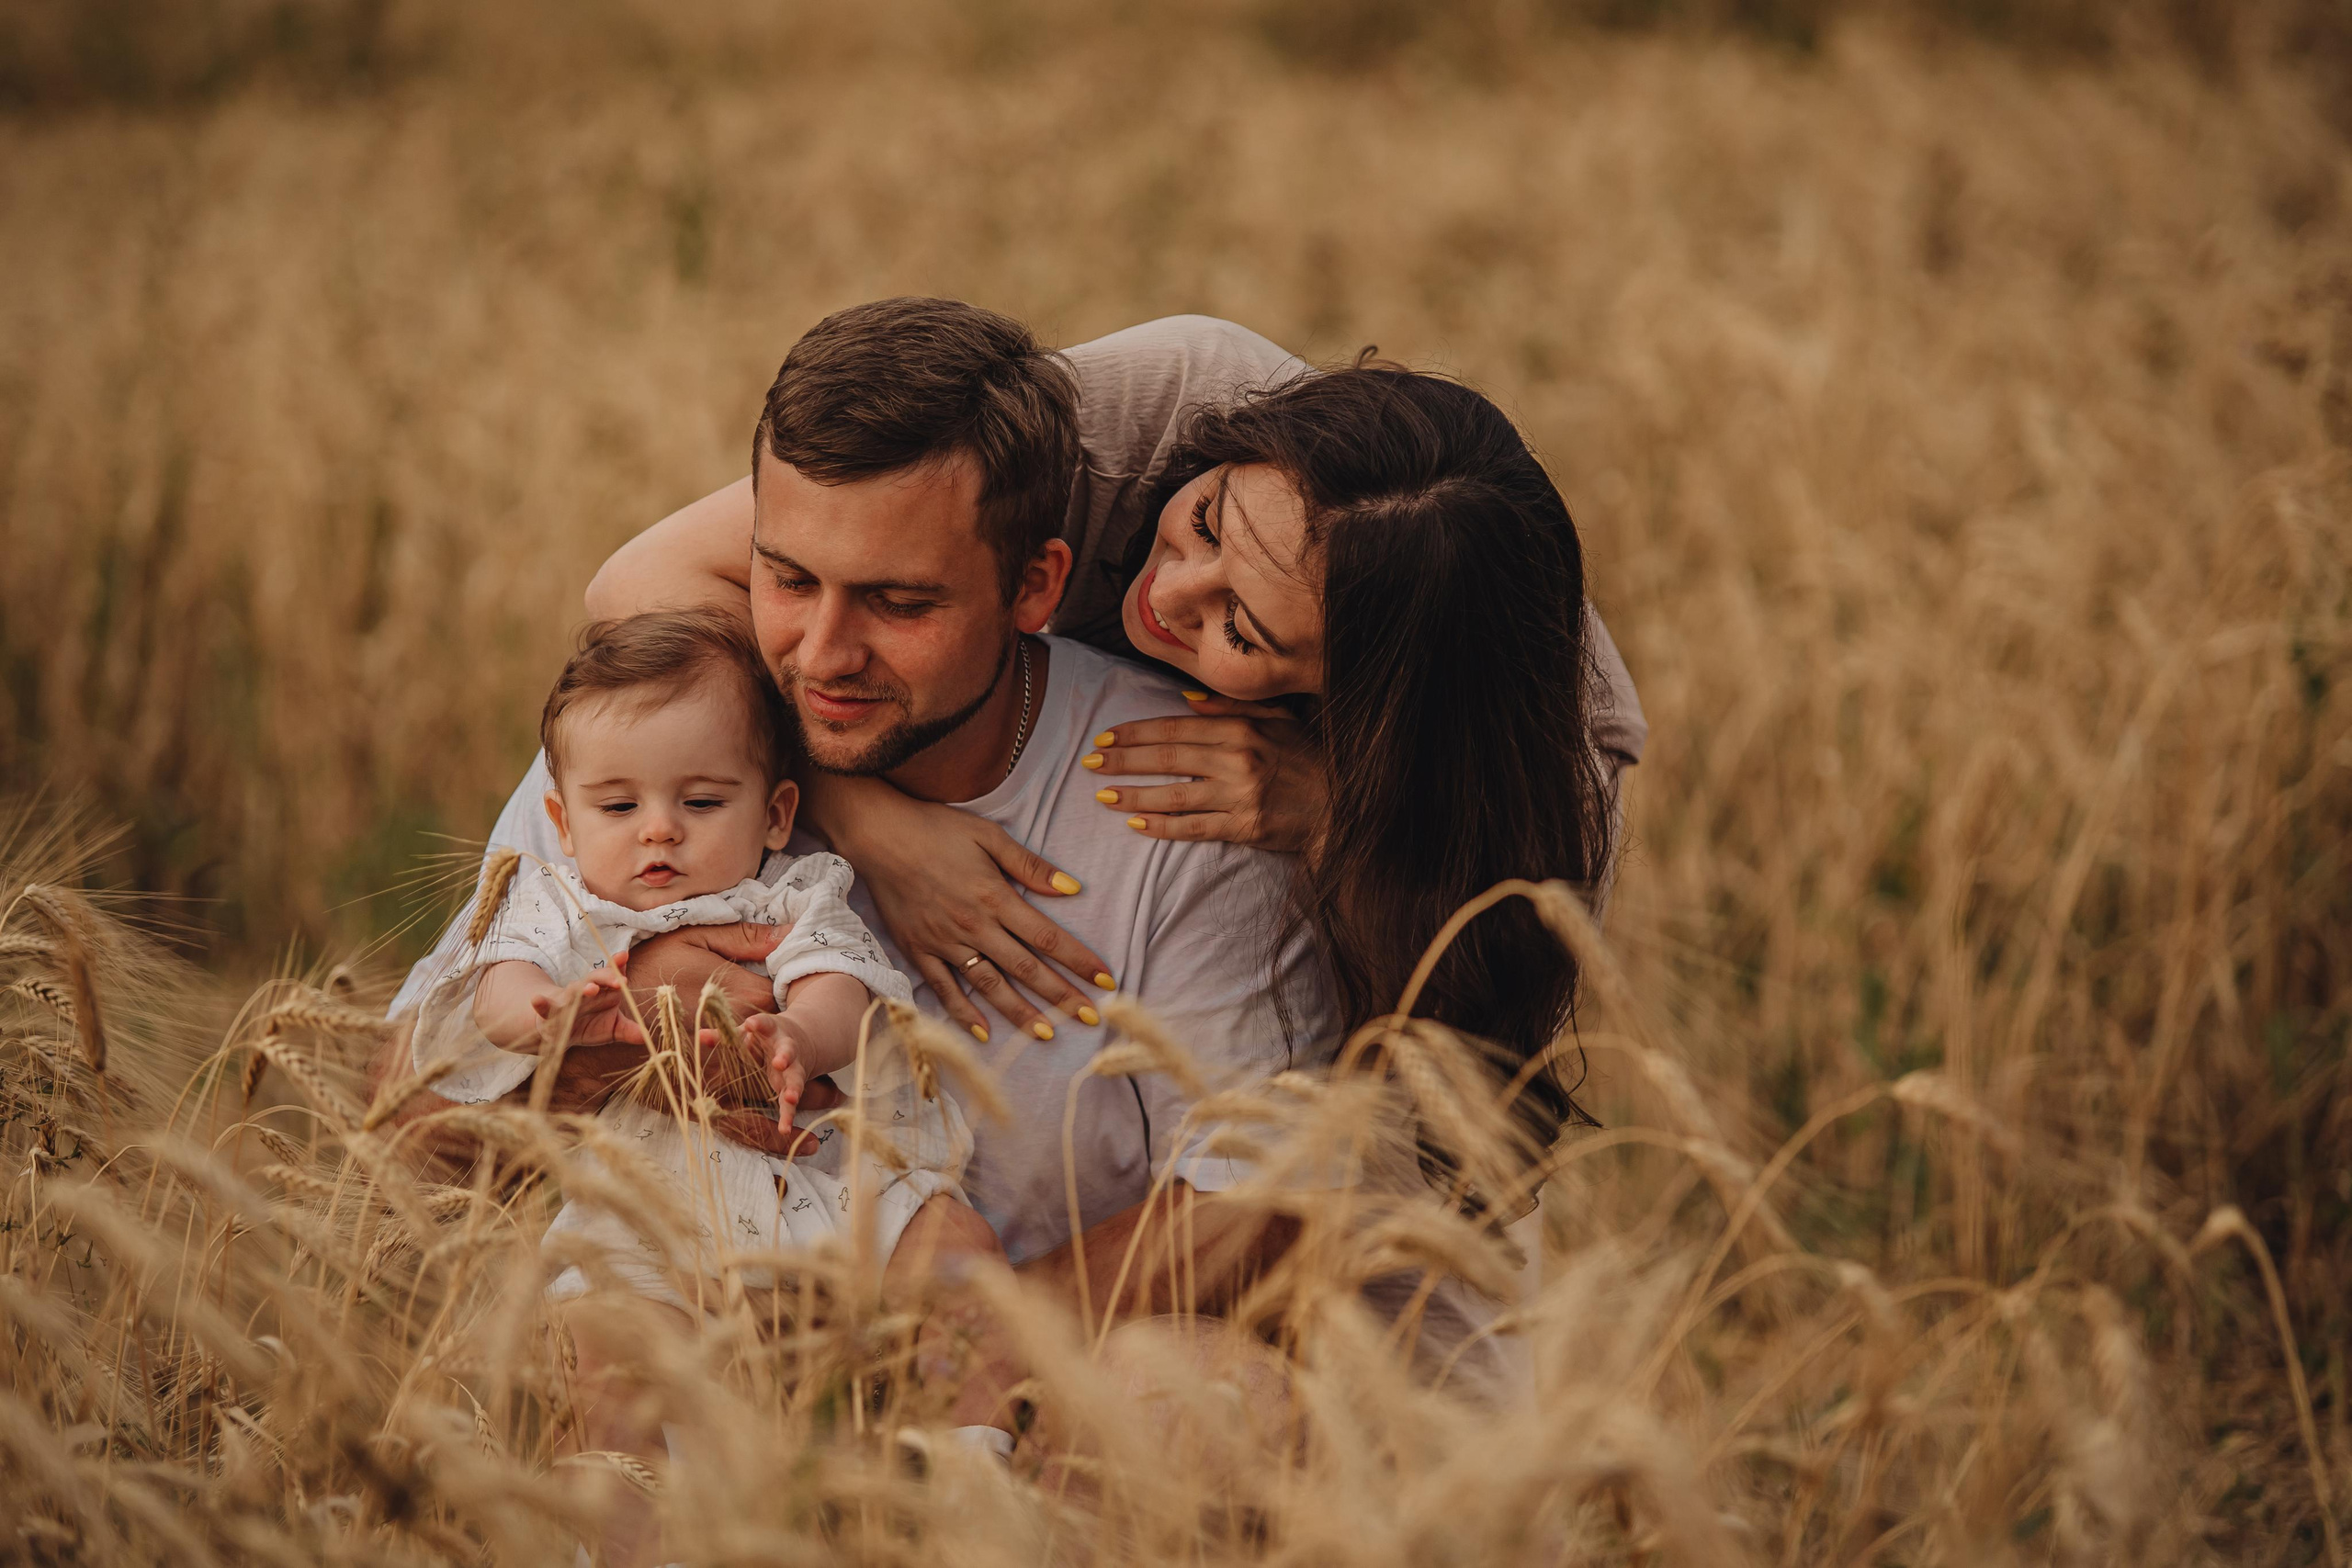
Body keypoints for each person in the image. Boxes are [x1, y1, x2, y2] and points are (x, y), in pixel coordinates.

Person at [584, 306, 1645, 1209]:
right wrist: (872, 824)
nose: (1165, 594)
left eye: (1243, 630)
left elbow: (1452, 1075)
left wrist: (1347, 811)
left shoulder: (1546, 779)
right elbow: (638, 579)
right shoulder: (1159, 405)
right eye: (1204, 526)